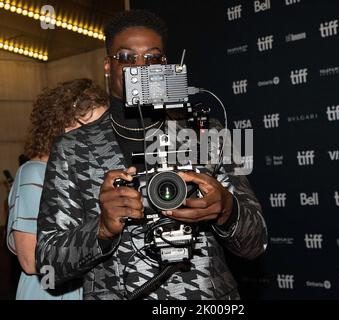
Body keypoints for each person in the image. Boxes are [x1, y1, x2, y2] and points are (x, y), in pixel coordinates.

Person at [36, 10, 267, 300]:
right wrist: (102, 230)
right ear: (108, 66)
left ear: (165, 64)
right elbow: (48, 262)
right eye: (127, 58)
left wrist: (227, 210)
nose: (140, 68)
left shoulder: (206, 134)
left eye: (152, 57)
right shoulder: (72, 149)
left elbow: (256, 242)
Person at [7, 78, 108, 300]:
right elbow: (30, 260)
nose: (99, 136)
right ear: (61, 125)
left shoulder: (92, 175)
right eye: (90, 127)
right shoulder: (34, 174)